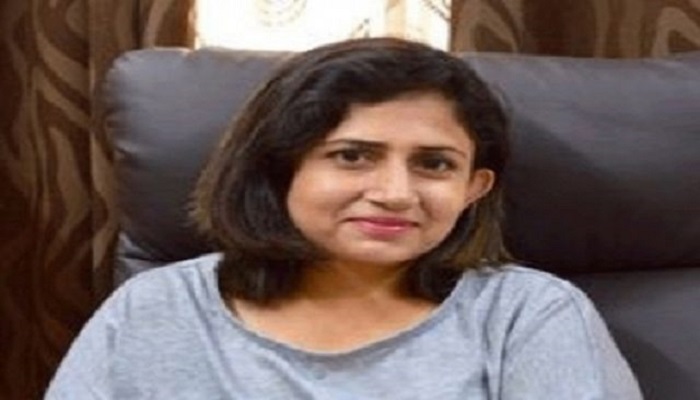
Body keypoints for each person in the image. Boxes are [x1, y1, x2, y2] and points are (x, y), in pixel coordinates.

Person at [45, 37, 642, 399]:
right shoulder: (153, 309)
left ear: (473, 188)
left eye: (434, 164)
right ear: (280, 166)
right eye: (352, 156)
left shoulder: (528, 315)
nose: (395, 193)